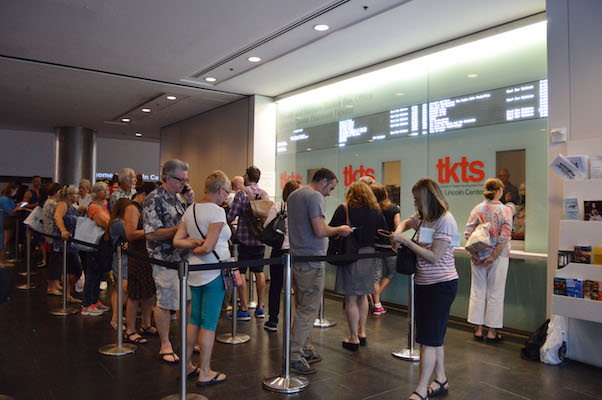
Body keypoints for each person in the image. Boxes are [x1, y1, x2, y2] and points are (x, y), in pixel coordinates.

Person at [390, 178, 458, 400]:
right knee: (434, 337)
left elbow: (435, 256)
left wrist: (407, 243)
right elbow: (405, 224)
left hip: (441, 286)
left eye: (418, 199)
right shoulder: (422, 218)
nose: (415, 204)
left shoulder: (446, 221)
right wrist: (397, 233)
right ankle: (441, 379)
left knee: (428, 340)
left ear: (428, 198)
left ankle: (420, 389)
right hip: (424, 284)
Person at [287, 168, 352, 375]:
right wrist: (340, 229)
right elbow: (320, 230)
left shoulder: (294, 194)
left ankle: (304, 349)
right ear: (323, 182)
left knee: (304, 306)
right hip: (312, 260)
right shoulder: (314, 196)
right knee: (308, 310)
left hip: (298, 258)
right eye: (331, 187)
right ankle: (295, 355)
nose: (330, 193)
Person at [173, 170, 231, 386]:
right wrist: (199, 247)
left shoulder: (191, 209)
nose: (227, 196)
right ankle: (205, 371)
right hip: (213, 271)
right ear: (221, 190)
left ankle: (187, 365)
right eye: (227, 192)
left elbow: (177, 241)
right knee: (208, 322)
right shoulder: (217, 212)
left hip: (194, 272)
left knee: (194, 319)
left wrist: (191, 246)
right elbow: (209, 247)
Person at [144, 159, 194, 364]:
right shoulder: (154, 198)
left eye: (185, 180)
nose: (183, 184)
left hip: (184, 258)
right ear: (167, 178)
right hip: (164, 259)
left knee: (187, 300)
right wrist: (180, 232)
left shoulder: (180, 199)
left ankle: (185, 340)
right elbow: (151, 234)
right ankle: (165, 343)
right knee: (165, 302)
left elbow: (193, 220)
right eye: (180, 180)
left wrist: (191, 201)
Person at [330, 181, 387, 351]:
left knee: (350, 298)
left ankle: (353, 337)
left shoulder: (344, 209)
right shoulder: (375, 211)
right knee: (362, 296)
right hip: (368, 255)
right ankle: (362, 333)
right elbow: (383, 232)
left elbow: (332, 230)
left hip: (350, 254)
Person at [464, 178, 513, 343]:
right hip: (498, 257)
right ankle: (492, 332)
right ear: (499, 190)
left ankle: (478, 330)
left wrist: (475, 254)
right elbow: (505, 237)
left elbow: (468, 233)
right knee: (495, 293)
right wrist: (494, 256)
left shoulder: (477, 209)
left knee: (477, 291)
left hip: (478, 256)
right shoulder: (505, 211)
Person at [227, 166, 269, 320]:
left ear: (246, 176)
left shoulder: (241, 193)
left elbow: (232, 215)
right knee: (259, 272)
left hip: (244, 239)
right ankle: (260, 307)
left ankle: (243, 308)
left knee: (241, 272)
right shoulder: (265, 194)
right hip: (260, 239)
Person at [263, 180, 301, 332]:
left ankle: (273, 320)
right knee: (297, 287)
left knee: (276, 286)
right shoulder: (301, 208)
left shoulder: (278, 206)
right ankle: (297, 323)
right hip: (297, 251)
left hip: (279, 249)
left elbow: (267, 225)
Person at [124, 182, 157, 344]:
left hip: (147, 254)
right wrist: (153, 232)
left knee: (149, 292)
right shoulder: (132, 208)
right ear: (144, 194)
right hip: (137, 255)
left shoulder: (144, 208)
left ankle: (146, 323)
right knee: (135, 293)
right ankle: (130, 329)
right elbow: (130, 234)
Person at [81, 181, 111, 316]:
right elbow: (102, 223)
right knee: (92, 274)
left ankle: (95, 300)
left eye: (106, 189)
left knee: (98, 273)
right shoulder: (93, 207)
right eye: (102, 190)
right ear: (96, 193)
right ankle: (87, 303)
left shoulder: (104, 206)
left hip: (102, 245)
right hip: (94, 244)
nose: (106, 192)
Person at [371, 183, 400, 315]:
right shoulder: (394, 208)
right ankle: (376, 299)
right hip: (389, 247)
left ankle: (376, 302)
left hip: (375, 246)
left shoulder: (372, 209)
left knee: (376, 276)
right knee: (392, 272)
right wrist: (395, 242)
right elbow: (397, 226)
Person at [52, 185, 84, 304]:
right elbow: (57, 217)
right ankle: (66, 294)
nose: (78, 195)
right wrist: (63, 230)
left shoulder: (73, 207)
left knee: (75, 270)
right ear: (69, 195)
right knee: (69, 269)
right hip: (63, 243)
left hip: (72, 244)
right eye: (75, 194)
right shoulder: (62, 204)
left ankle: (67, 293)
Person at [107, 198, 131, 330]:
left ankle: (117, 315)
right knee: (121, 287)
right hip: (120, 257)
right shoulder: (118, 222)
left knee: (121, 287)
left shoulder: (118, 221)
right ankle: (115, 317)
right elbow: (129, 235)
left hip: (123, 257)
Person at [41, 183, 62, 294]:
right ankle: (51, 286)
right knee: (54, 261)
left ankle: (55, 283)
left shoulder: (49, 202)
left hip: (52, 235)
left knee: (56, 260)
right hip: (53, 235)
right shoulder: (51, 203)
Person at [0, 183, 21, 266]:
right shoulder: (4, 199)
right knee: (4, 242)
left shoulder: (8, 199)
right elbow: (10, 212)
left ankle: (4, 259)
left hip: (9, 221)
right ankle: (2, 261)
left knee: (6, 242)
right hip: (6, 221)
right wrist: (17, 208)